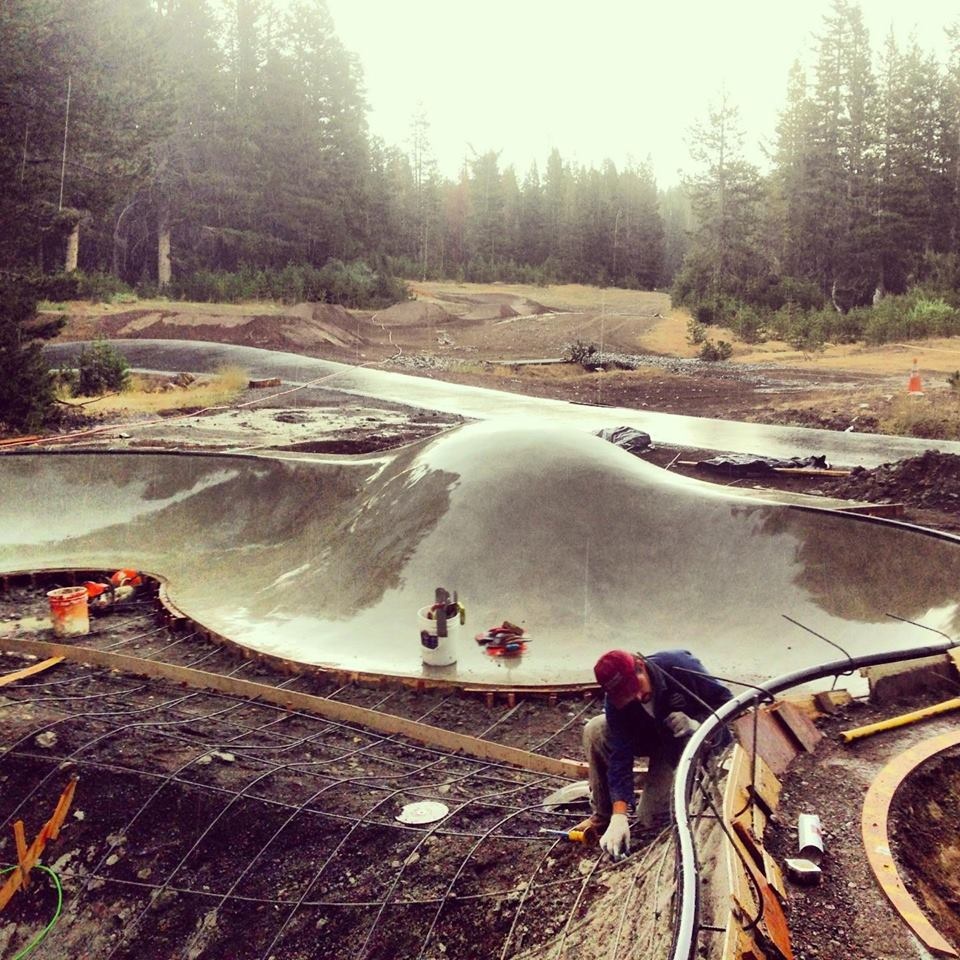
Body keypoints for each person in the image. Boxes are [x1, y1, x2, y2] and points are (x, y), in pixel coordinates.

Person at [579, 649, 733, 859]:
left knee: (651, 818)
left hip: (682, 742)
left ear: (641, 666)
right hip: (648, 737)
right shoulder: (614, 701)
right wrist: (619, 815)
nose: (639, 697)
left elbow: (727, 704)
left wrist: (697, 724)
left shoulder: (679, 667)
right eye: (629, 695)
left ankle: (688, 785)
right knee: (595, 729)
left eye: (637, 687)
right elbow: (620, 755)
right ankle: (603, 815)